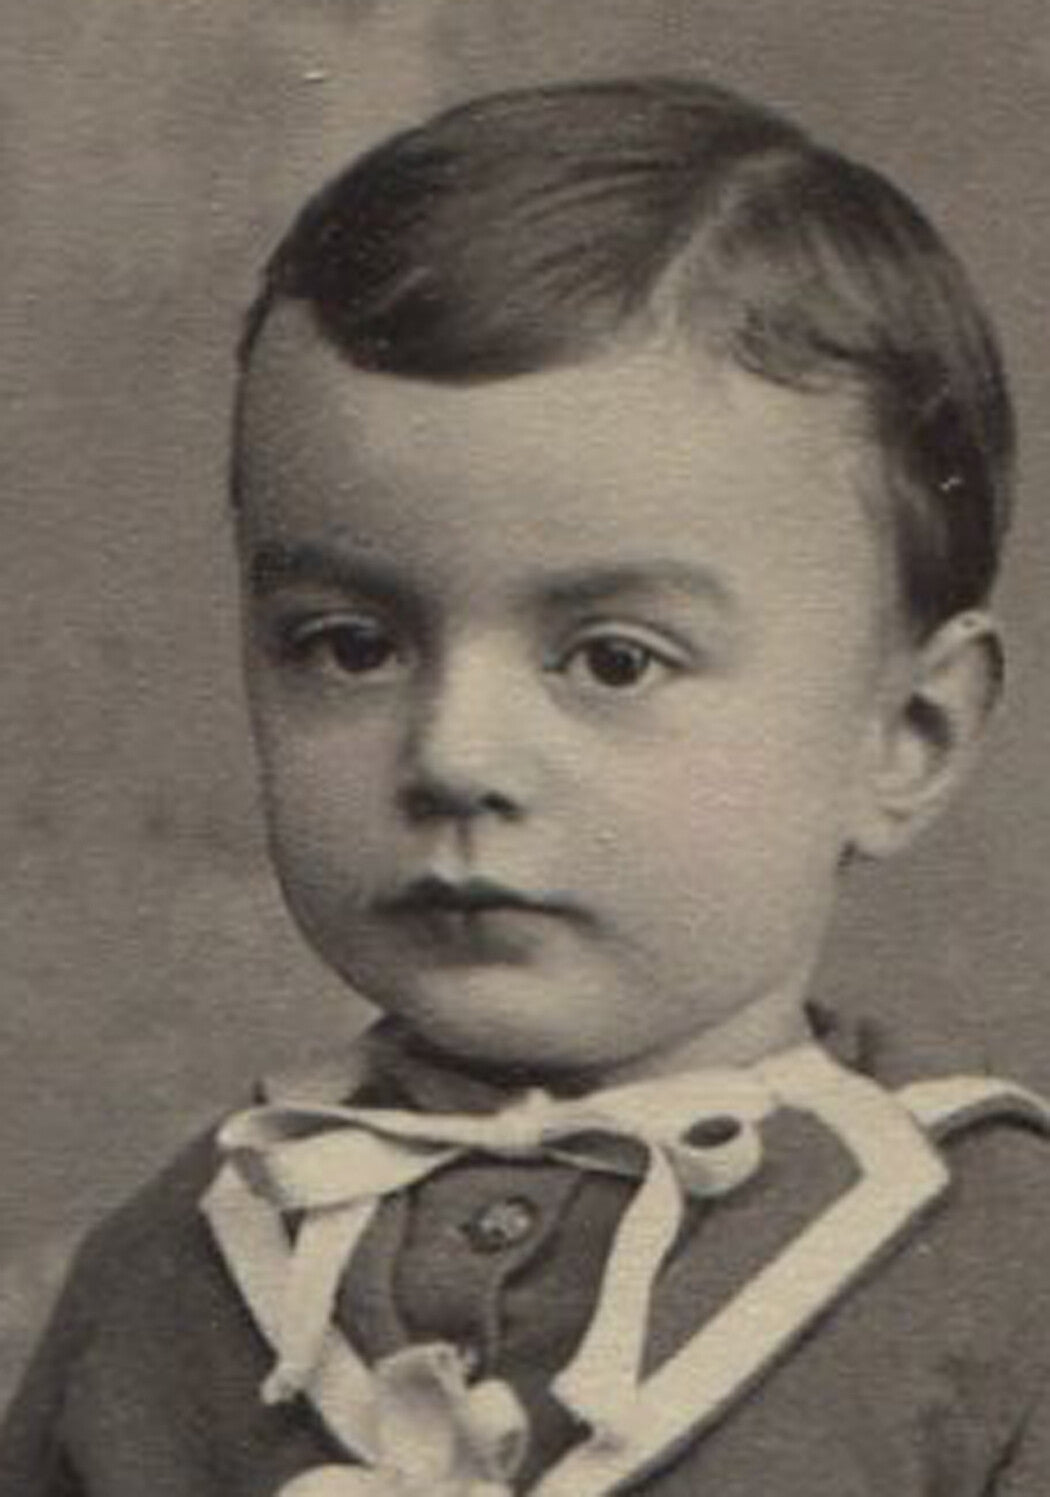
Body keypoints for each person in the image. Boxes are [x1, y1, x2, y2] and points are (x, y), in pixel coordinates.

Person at [3, 74, 1049, 1497]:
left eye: (612, 660)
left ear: (906, 735)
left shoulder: (1000, 1284)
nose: (453, 758)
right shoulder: (172, 1271)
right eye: (350, 644)